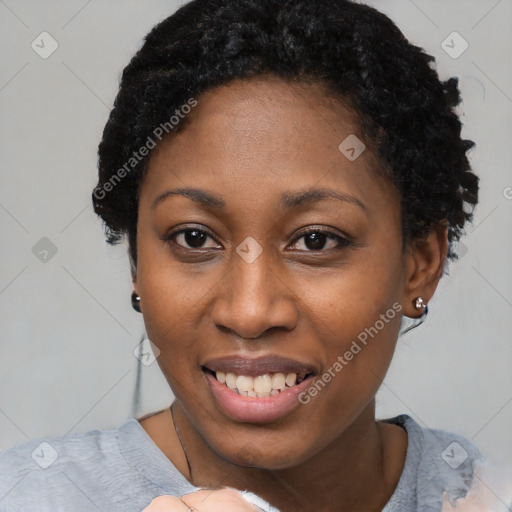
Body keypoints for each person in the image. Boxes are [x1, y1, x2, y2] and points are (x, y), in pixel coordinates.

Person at [1, 0, 510, 511]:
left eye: (316, 240)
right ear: (137, 262)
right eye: (194, 238)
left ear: (420, 264)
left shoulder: (484, 498)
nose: (248, 312)